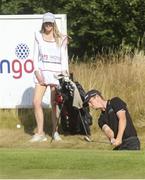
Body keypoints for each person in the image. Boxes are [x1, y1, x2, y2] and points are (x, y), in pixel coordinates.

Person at [30, 12, 69, 142]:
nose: (48, 25)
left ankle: (55, 132)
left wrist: (64, 72)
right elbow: (35, 57)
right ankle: (40, 133)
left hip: (56, 75)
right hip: (41, 73)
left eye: (50, 22)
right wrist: (36, 71)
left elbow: (64, 57)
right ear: (43, 23)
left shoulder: (61, 38)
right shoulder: (38, 36)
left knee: (54, 104)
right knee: (36, 102)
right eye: (46, 22)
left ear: (53, 23)